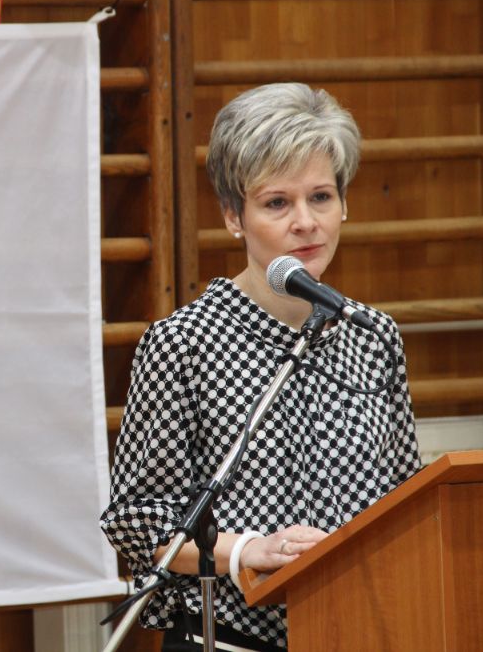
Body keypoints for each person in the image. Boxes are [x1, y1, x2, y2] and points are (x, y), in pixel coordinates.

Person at [100, 83, 421, 651]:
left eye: (321, 197)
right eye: (277, 203)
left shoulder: (373, 336)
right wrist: (247, 550)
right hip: (229, 639)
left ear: (344, 204)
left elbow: (405, 500)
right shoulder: (183, 344)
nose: (306, 222)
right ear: (233, 216)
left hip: (360, 630)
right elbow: (137, 521)